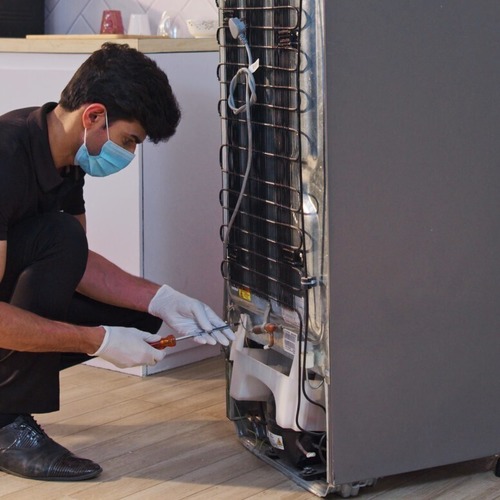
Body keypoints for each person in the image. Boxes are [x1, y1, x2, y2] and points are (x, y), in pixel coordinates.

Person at [0, 43, 234, 482]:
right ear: (94, 116)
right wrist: (96, 341)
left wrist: (162, 299)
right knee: (63, 239)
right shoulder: (6, 156)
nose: (129, 153)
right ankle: (5, 424)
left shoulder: (65, 159)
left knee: (134, 316)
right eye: (129, 141)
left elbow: (75, 261)